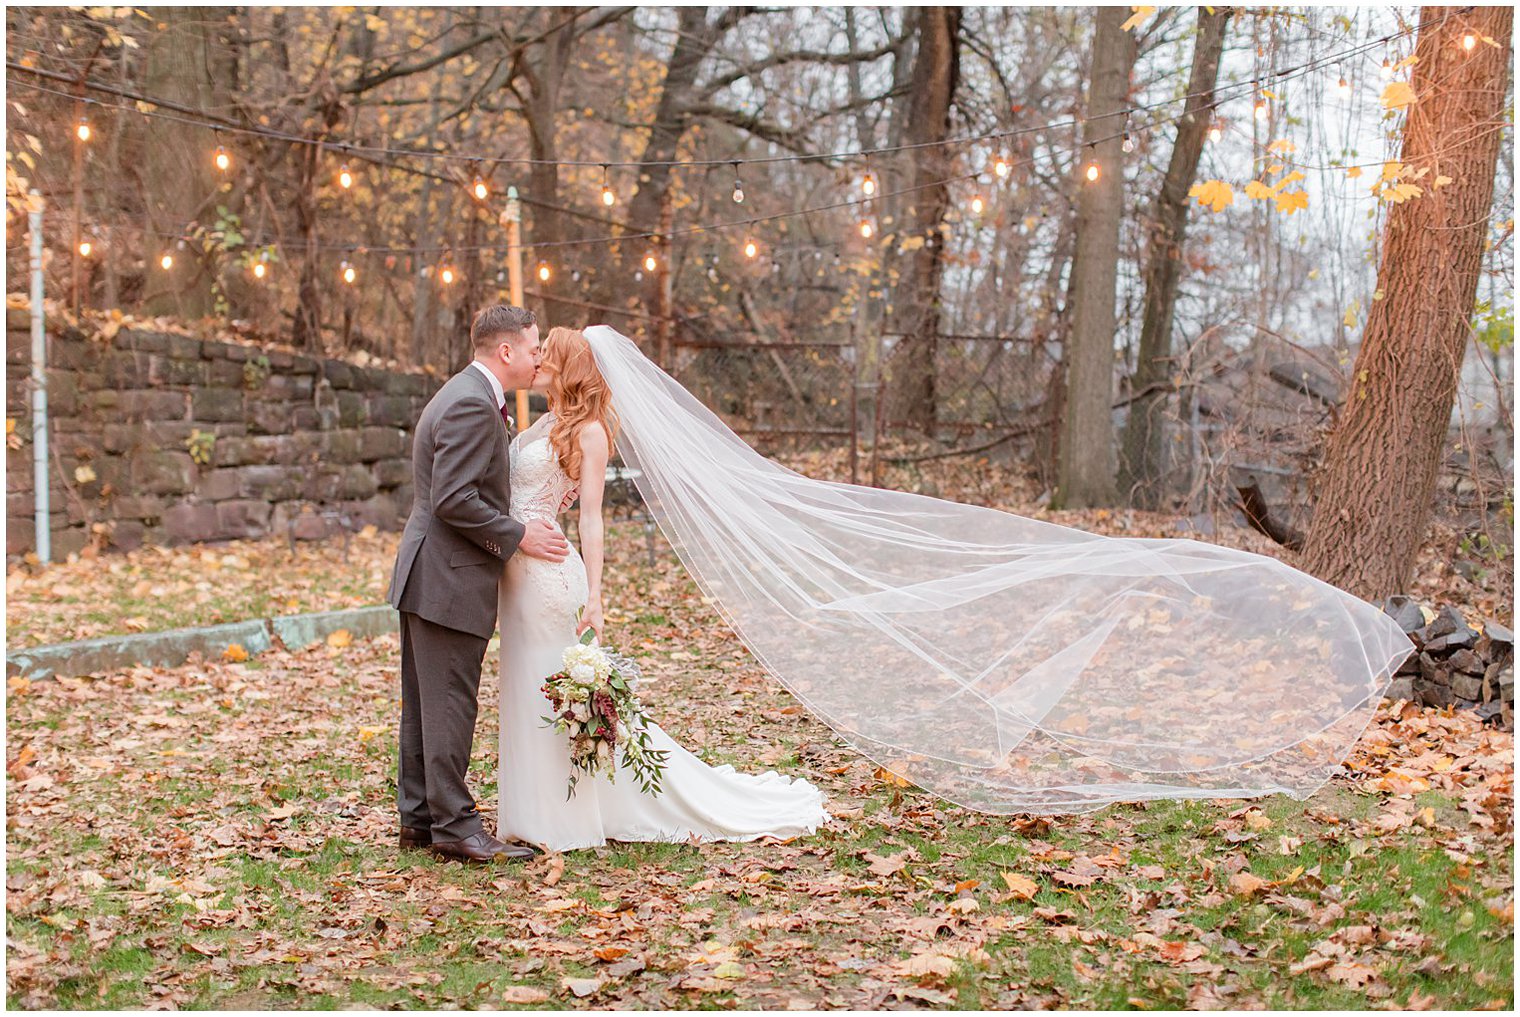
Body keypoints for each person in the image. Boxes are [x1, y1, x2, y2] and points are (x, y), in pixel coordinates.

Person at [496, 327, 830, 852]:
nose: (536, 361)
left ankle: (564, 818)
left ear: (568, 365)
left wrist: (598, 596)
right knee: (523, 683)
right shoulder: (544, 422)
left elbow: (591, 520)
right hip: (514, 575)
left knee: (553, 686)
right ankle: (528, 812)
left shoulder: (591, 433)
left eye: (546, 355)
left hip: (550, 577)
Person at [385, 305, 572, 864]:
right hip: (448, 574)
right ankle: (456, 828)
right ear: (506, 351)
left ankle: (420, 818)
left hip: (431, 571)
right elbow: (454, 498)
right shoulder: (470, 402)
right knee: (447, 702)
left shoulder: (466, 393)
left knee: (425, 703)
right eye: (534, 347)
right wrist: (517, 536)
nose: (540, 357)